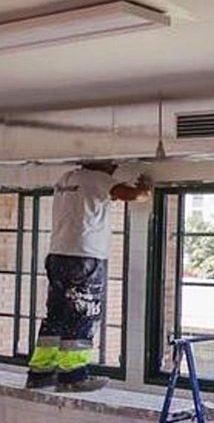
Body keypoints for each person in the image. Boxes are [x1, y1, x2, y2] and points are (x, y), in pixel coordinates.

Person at [24, 161, 151, 392]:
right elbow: (132, 195)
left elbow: (91, 201)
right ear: (101, 164)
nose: (115, 170)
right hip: (84, 257)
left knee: (57, 315)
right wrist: (145, 189)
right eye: (113, 166)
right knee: (83, 313)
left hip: (58, 255)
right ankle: (73, 376)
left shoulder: (66, 178)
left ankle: (40, 373)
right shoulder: (97, 178)